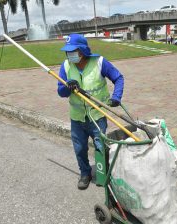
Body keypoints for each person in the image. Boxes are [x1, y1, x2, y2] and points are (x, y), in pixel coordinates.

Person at [57, 33, 124, 190]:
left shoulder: (99, 62)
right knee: (79, 148)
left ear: (82, 51)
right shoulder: (66, 66)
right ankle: (85, 173)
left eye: (72, 51)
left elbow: (118, 78)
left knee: (101, 147)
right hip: (77, 118)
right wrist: (67, 88)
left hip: (97, 116)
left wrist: (116, 97)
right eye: (67, 51)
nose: (69, 54)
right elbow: (60, 92)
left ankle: (104, 174)